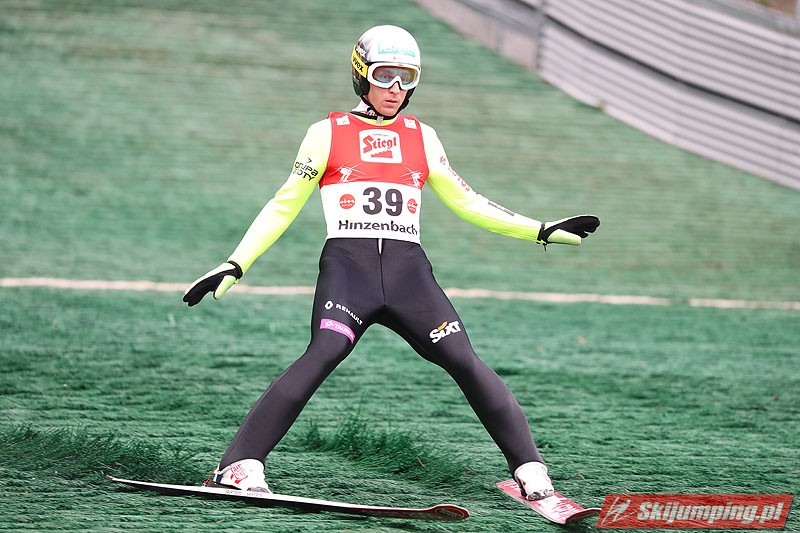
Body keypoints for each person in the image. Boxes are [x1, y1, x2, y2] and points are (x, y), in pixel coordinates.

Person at [183, 25, 599, 501]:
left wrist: (539, 230)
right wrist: (235, 263)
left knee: (463, 358)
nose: (396, 88)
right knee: (323, 352)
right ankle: (237, 465)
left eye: (407, 78)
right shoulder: (327, 133)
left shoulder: (423, 137)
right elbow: (284, 204)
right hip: (350, 271)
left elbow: (468, 202)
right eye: (385, 76)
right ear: (362, 75)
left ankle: (531, 471)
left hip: (408, 275)